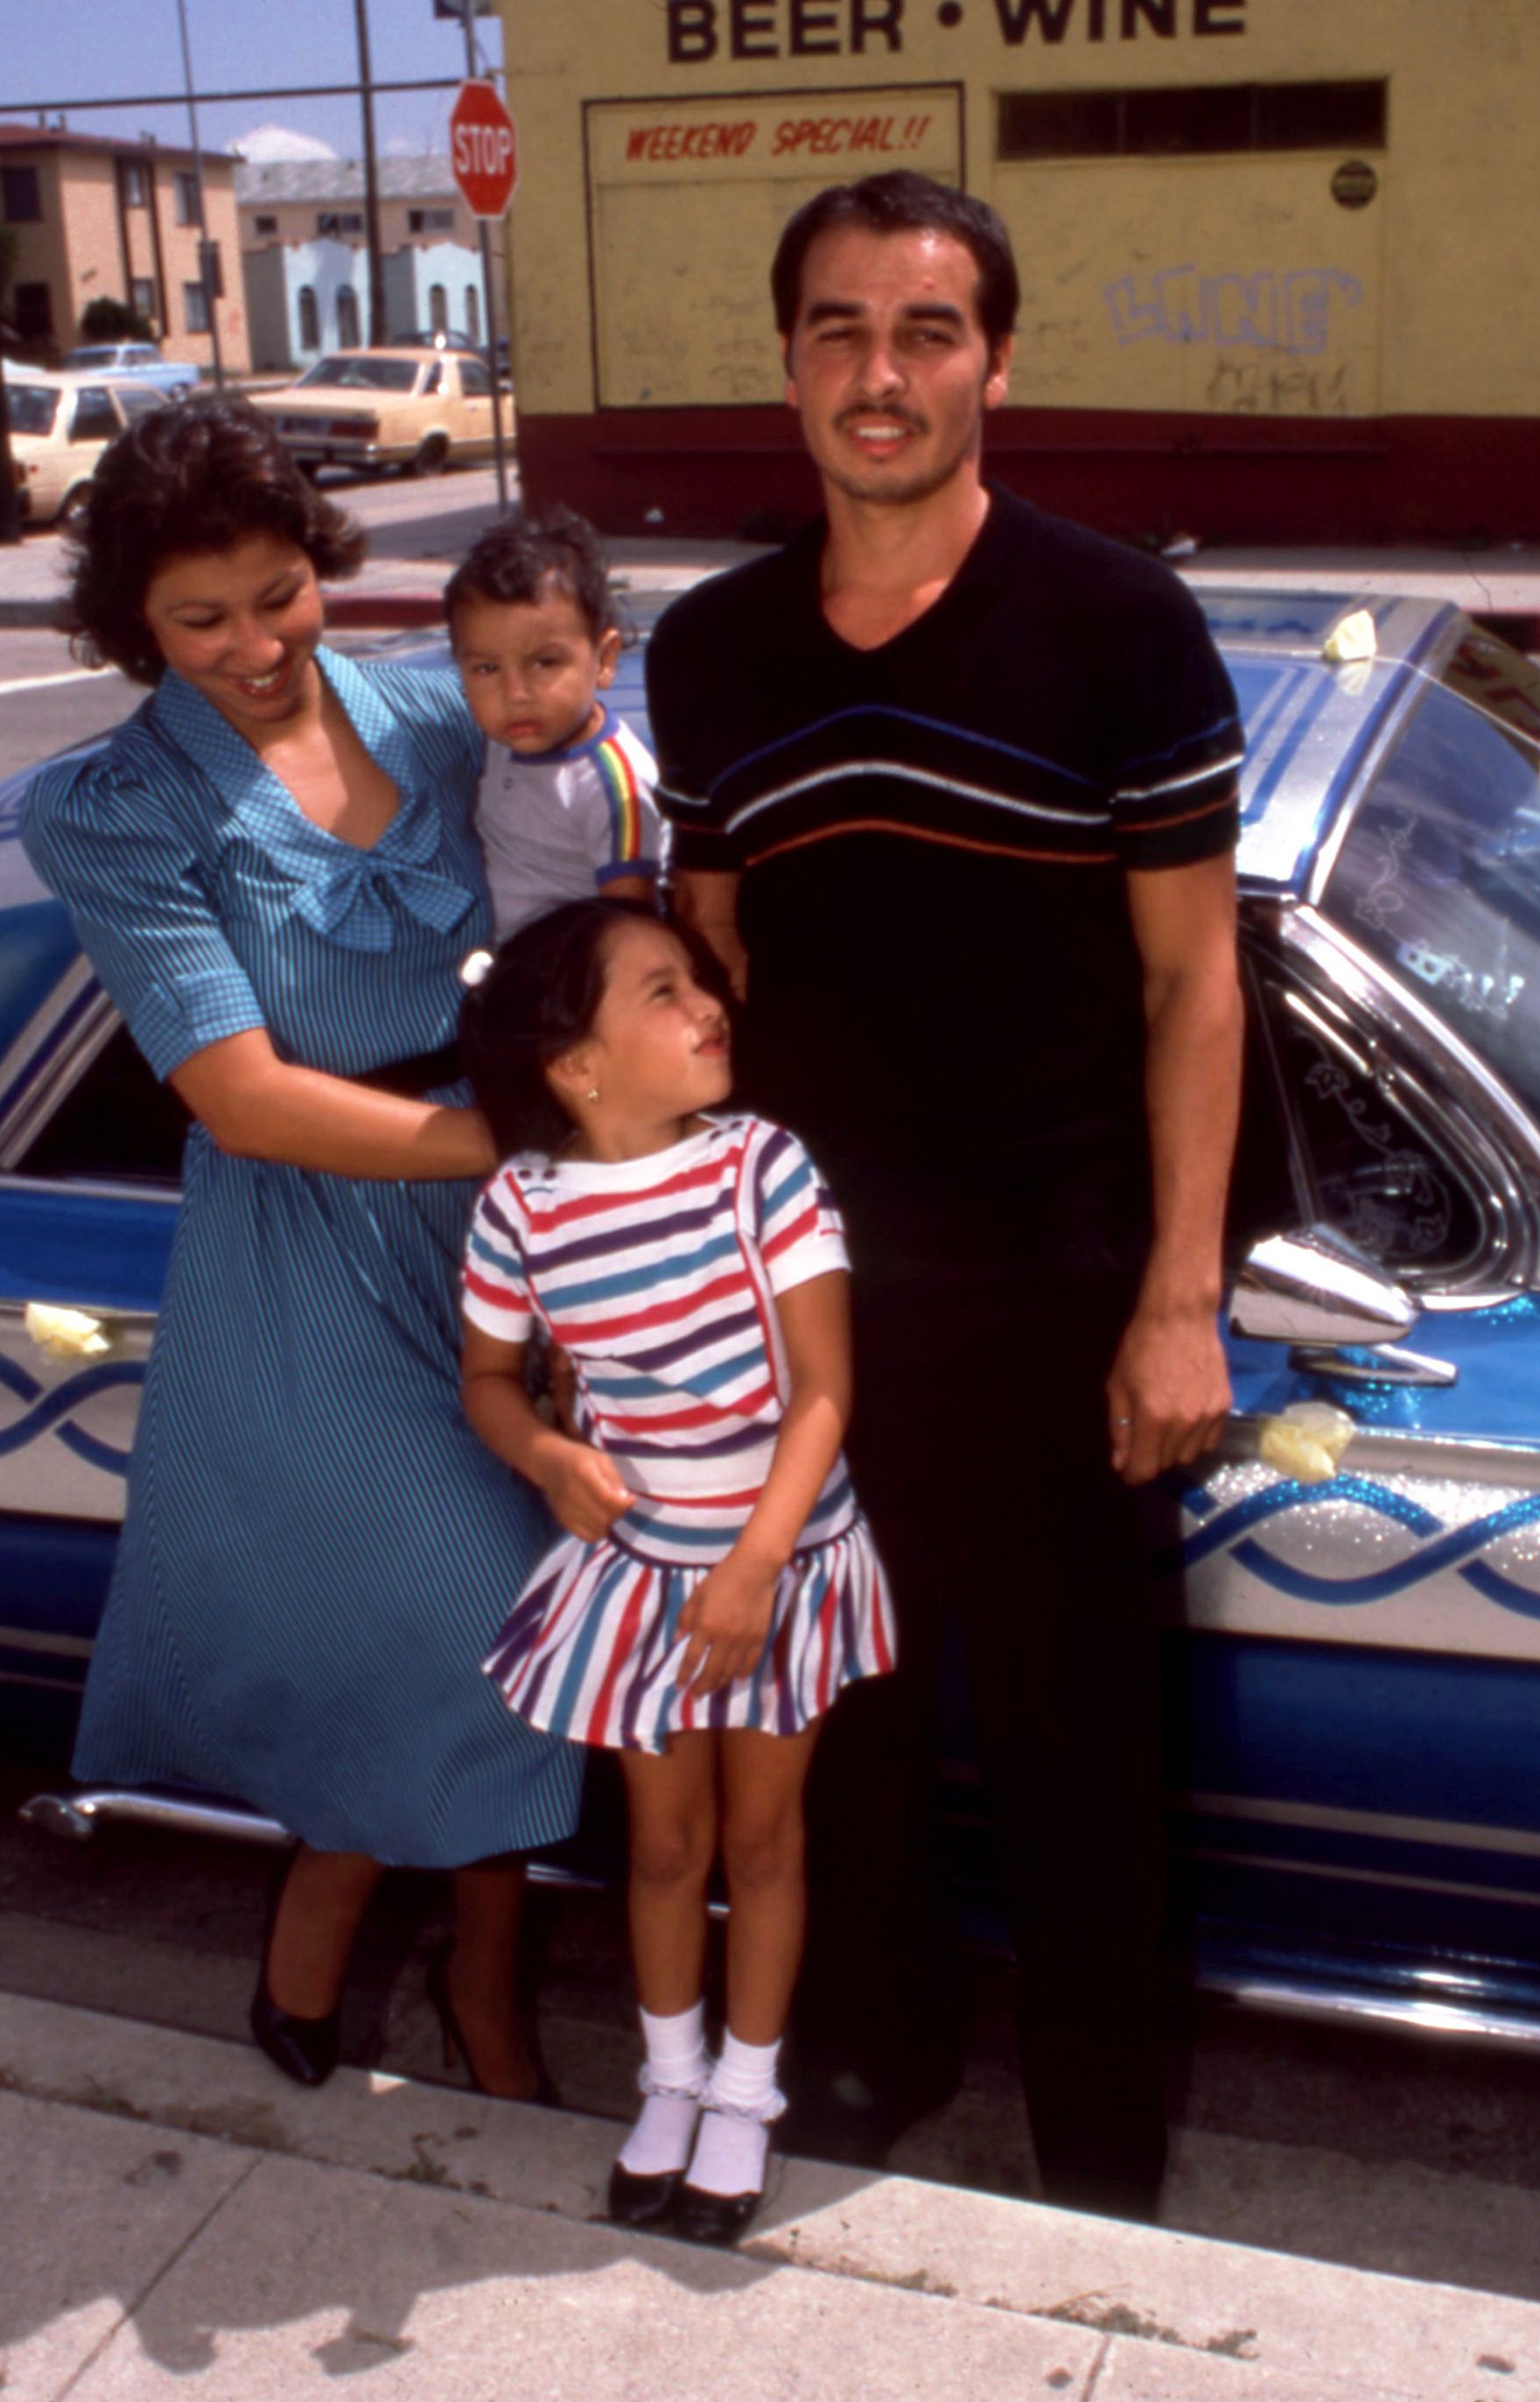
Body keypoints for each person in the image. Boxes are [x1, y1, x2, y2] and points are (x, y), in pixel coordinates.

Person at [642, 170, 1247, 2220]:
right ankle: (867, 2055)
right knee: (848, 1733)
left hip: (1054, 1283)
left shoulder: (1116, 621)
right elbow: (702, 988)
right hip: (803, 1300)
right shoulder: (714, 650)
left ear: (995, 358)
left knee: (1084, 1758)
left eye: (920, 334)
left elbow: (1192, 980)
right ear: (787, 360)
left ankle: (1100, 2153)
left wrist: (1176, 1293)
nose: (876, 375)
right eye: (835, 331)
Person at [20, 391, 578, 2106]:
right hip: (308, 1260)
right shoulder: (112, 809)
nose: (256, 644)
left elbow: (592, 872)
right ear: (135, 627)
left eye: (280, 592)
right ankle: (473, 1993)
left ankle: (320, 1950)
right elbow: (244, 1097)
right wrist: (531, 1137)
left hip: (497, 1249)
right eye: (202, 618)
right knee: (472, 1628)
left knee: (519, 1637)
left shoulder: (440, 718)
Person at [451, 898, 897, 2244]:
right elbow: (484, 1380)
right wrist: (543, 1454)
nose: (706, 1002)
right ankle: (671, 2081)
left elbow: (824, 1391)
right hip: (648, 1577)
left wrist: (758, 1563)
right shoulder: (521, 1205)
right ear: (574, 1066)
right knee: (662, 1845)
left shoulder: (761, 1166)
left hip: (782, 1563)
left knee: (762, 1839)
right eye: (659, 990)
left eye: (697, 979)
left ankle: (746, 2101)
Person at [444, 508, 662, 936]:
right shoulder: (499, 741)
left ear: (605, 660)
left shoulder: (613, 786)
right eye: (487, 669)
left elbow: (631, 931)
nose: (516, 694)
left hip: (574, 981)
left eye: (545, 663)